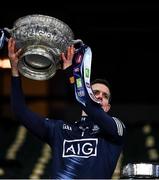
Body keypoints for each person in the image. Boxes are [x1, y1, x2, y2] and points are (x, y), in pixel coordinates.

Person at [8, 37, 126, 179]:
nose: (100, 96)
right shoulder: (59, 130)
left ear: (107, 107)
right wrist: (14, 68)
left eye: (105, 96)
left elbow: (90, 107)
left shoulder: (116, 130)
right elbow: (20, 111)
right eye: (95, 93)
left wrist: (71, 72)